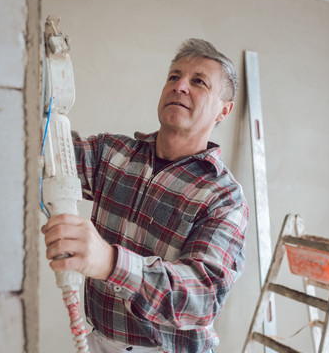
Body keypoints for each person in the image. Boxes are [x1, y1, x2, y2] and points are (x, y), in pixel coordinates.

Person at [42, 38, 249, 353]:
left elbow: (201, 298)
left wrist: (109, 262)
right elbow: (51, 152)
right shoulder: (114, 153)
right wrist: (43, 86)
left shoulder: (223, 196)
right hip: (99, 339)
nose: (180, 86)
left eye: (198, 82)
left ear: (224, 110)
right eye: (173, 76)